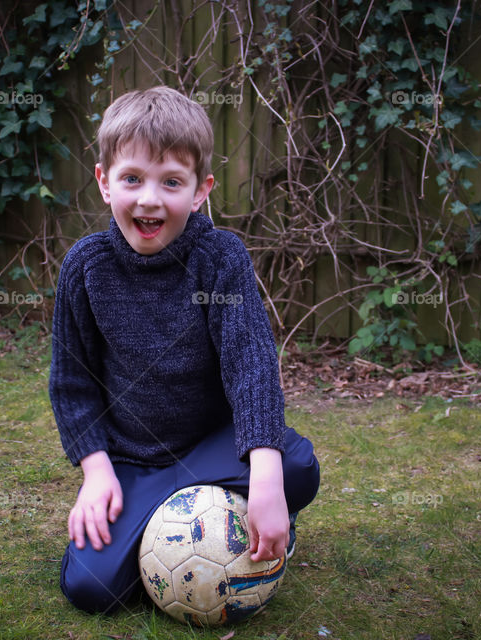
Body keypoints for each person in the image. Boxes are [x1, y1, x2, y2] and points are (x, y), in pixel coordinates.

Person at [48, 85, 320, 614]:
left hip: (214, 449)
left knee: (296, 467)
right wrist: (97, 471)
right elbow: (72, 384)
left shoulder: (220, 258)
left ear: (200, 191)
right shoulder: (85, 267)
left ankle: (252, 513)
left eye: (171, 181)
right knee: (90, 590)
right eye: (132, 178)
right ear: (103, 181)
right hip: (133, 462)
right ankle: (164, 528)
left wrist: (265, 479)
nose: (149, 199)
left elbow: (251, 365)